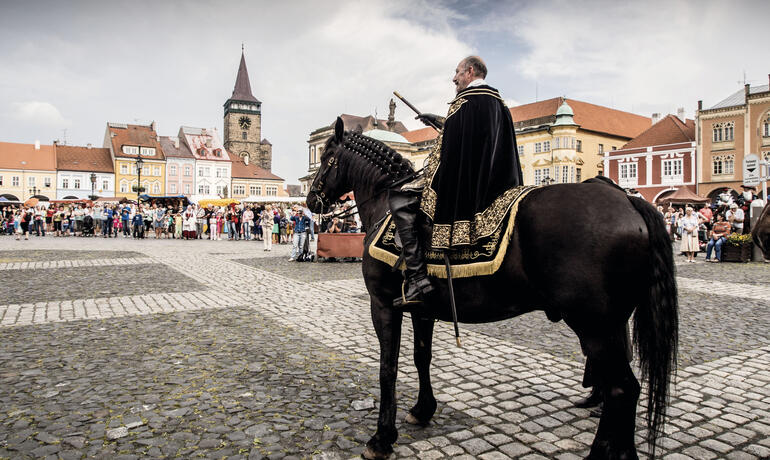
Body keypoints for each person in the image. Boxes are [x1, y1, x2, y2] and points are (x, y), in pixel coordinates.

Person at [387, 55, 523, 307]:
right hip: (496, 183)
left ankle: (417, 278)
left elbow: (447, 150)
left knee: (399, 198)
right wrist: (439, 121)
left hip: (468, 185)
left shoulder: (465, 102)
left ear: (470, 72)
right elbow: (470, 136)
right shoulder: (498, 102)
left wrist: (430, 173)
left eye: (457, 72)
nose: (454, 78)